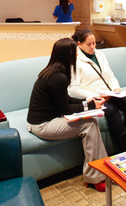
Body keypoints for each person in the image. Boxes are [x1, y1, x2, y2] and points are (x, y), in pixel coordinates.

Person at [27, 38, 108, 192]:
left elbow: (65, 99)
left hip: (43, 121)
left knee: (91, 121)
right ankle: (95, 176)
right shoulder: (58, 77)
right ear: (67, 55)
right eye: (75, 52)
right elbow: (65, 108)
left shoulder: (53, 72)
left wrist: (88, 101)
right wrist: (90, 106)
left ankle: (101, 170)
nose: (77, 55)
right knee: (90, 123)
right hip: (42, 125)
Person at [68, 29, 126, 153]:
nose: (92, 47)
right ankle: (125, 149)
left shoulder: (100, 55)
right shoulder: (75, 60)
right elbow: (73, 90)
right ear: (79, 44)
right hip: (92, 97)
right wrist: (96, 95)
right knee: (112, 110)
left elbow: (109, 76)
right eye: (88, 44)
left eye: (94, 43)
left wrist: (115, 88)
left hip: (108, 93)